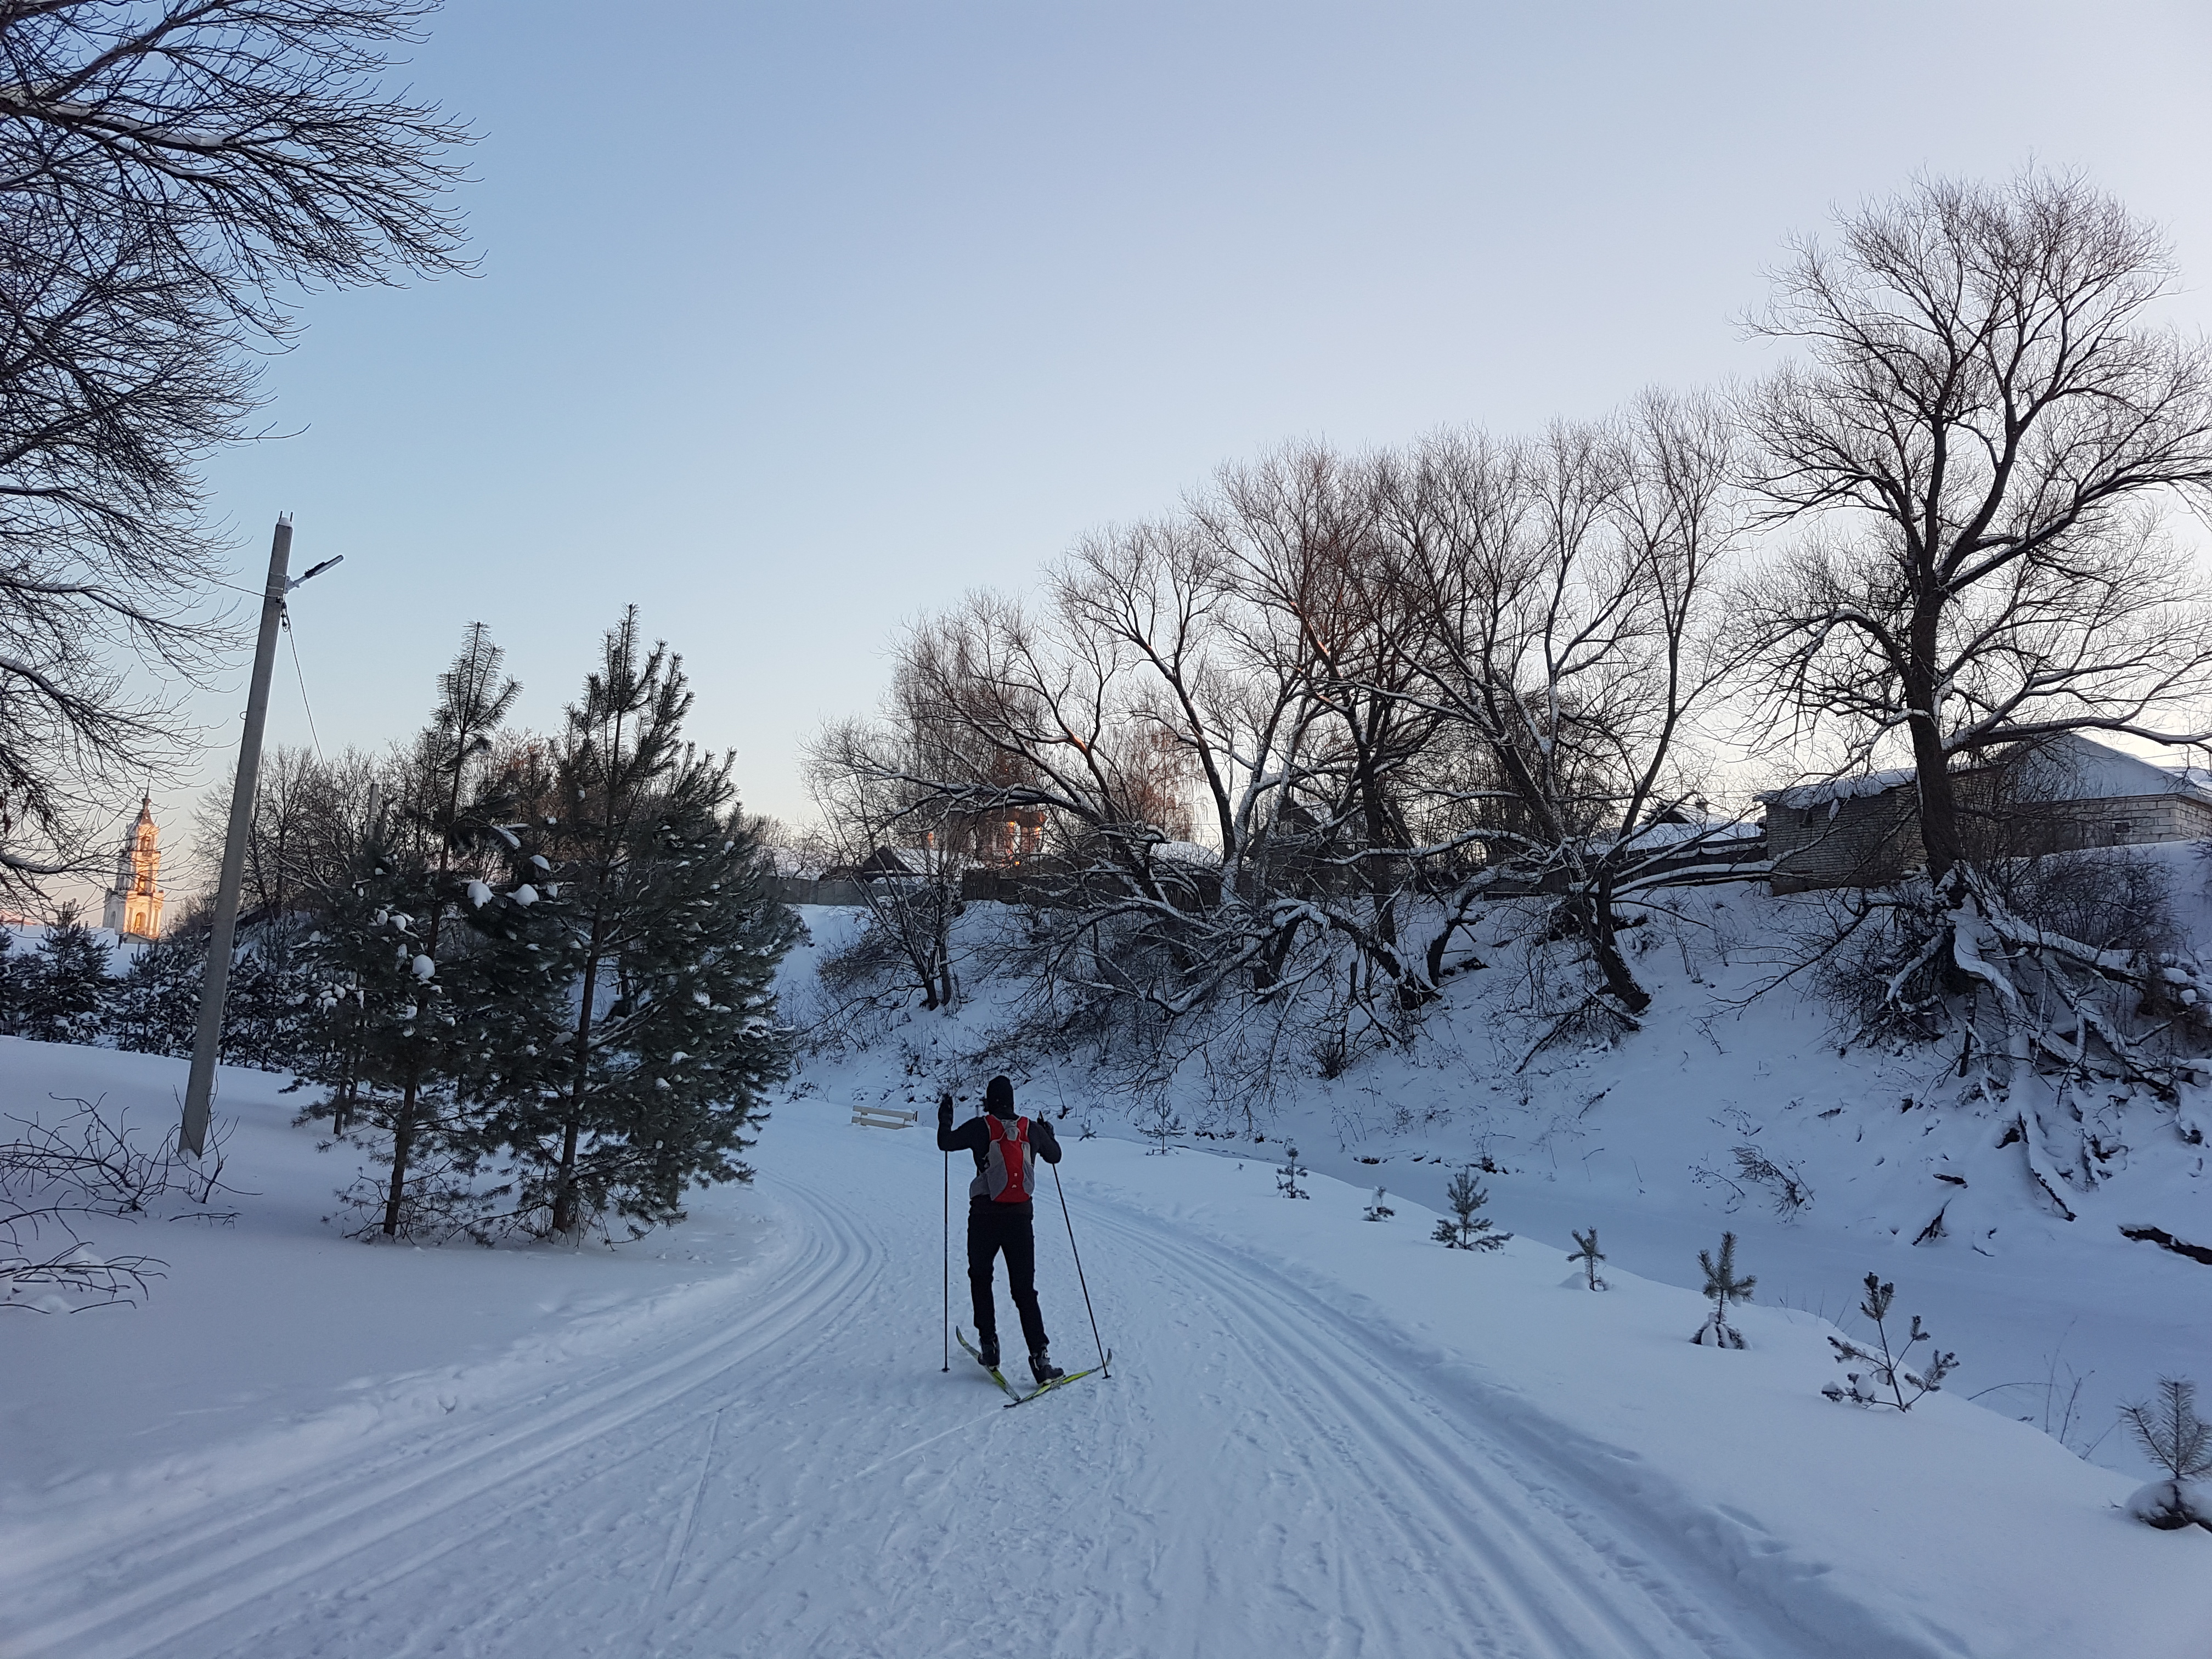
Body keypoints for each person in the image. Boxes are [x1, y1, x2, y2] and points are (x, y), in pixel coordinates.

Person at [939, 1075, 1065, 1385]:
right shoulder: (1029, 1129)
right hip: (1020, 1218)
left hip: (984, 1216)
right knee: (1024, 1290)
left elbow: (945, 1143)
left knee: (981, 1278)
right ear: (1012, 1100)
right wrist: (1048, 1134)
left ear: (989, 1101)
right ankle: (1041, 1360)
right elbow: (1056, 1156)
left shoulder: (980, 1127)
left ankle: (990, 1346)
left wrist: (946, 1118)